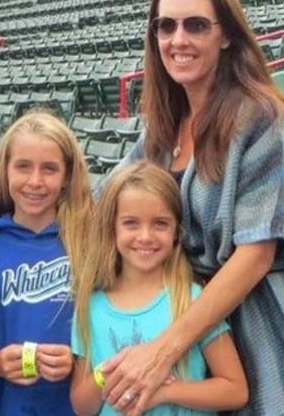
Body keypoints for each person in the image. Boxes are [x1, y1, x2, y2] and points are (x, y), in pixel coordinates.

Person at [97, 0, 284, 415]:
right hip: (207, 341)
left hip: (271, 330)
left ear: (227, 36)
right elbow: (100, 203)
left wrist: (161, 351)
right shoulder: (161, 134)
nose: (178, 39)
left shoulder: (260, 118)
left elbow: (256, 255)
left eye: (196, 25)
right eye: (166, 26)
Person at [71, 162, 247, 416]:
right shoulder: (90, 308)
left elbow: (235, 390)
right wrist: (106, 375)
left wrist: (165, 392)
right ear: (112, 229)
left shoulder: (192, 300)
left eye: (160, 224)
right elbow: (81, 407)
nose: (145, 236)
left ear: (177, 231)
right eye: (131, 223)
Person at [0, 110, 93, 416]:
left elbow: (115, 324)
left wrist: (79, 360)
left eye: (49, 169)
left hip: (79, 406)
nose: (35, 181)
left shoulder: (89, 241)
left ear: (66, 176)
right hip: (10, 405)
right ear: (6, 171)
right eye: (23, 167)